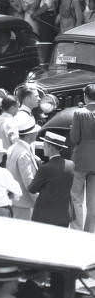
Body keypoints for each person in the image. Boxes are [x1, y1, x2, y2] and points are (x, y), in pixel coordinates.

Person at [29, 131, 75, 227]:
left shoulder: (45, 168)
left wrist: (38, 166)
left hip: (45, 215)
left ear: (50, 146)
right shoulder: (71, 165)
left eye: (44, 145)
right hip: (64, 214)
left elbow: (32, 189)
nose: (43, 147)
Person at [70, 83, 95, 232]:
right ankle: (90, 232)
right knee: (93, 202)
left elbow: (74, 138)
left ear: (86, 97)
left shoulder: (79, 113)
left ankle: (76, 230)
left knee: (76, 198)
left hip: (80, 160)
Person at [6, 114, 39, 220]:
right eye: (35, 131)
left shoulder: (13, 148)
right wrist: (39, 201)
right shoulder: (24, 153)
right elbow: (29, 183)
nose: (37, 133)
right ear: (30, 135)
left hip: (15, 201)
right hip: (24, 204)